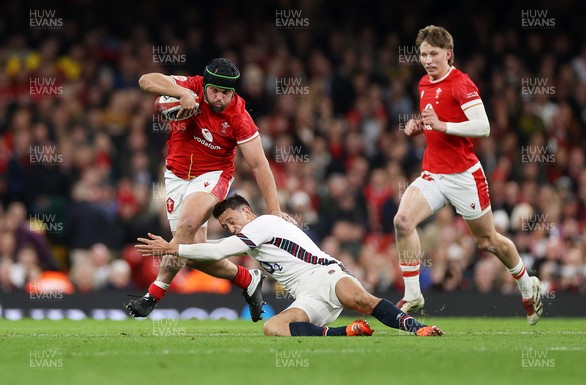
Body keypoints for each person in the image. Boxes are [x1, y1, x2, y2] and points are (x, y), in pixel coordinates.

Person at [125, 58, 295, 321]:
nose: (219, 98)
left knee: (187, 225)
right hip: (175, 175)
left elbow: (260, 165)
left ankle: (153, 295)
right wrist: (180, 93)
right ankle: (248, 279)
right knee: (194, 254)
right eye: (214, 91)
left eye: (226, 93)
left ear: (233, 92)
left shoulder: (239, 116)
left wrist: (274, 210)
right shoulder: (191, 86)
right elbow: (145, 80)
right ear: (205, 85)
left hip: (212, 175)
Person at [394, 25, 543, 325]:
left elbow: (483, 126)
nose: (427, 60)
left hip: (464, 176)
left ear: (448, 53)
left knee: (488, 242)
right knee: (402, 221)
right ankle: (413, 294)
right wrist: (419, 127)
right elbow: (436, 123)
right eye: (423, 54)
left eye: (433, 54)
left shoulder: (461, 83)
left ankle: (528, 285)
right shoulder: (424, 84)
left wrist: (443, 125)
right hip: (433, 173)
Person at [136, 195, 443, 337]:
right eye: (226, 225)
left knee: (362, 300)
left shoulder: (263, 224)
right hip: (307, 296)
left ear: (246, 211)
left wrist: (174, 246)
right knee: (273, 328)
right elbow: (218, 250)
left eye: (231, 221)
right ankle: (345, 332)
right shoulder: (253, 236)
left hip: (325, 274)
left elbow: (219, 251)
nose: (230, 228)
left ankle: (418, 328)